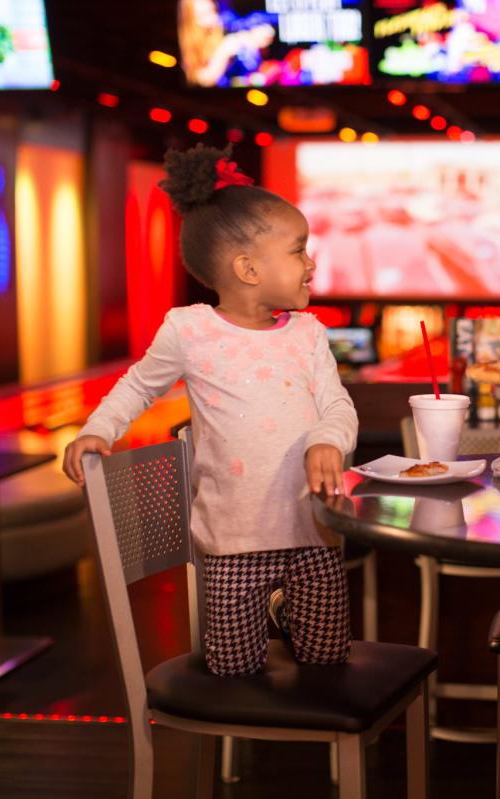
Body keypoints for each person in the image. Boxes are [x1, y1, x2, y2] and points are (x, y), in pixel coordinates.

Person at [63, 144, 358, 677]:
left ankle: (288, 622)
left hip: (315, 533)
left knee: (327, 661)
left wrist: (328, 439)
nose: (311, 262)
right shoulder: (189, 329)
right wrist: (96, 430)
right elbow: (137, 386)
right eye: (298, 250)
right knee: (233, 671)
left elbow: (337, 405)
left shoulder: (309, 334)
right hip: (231, 542)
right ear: (247, 268)